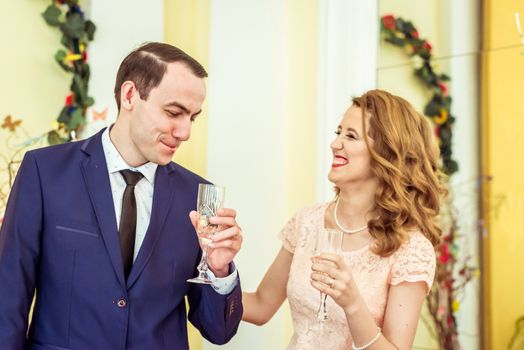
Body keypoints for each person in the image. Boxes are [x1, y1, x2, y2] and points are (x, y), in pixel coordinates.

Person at [0, 42, 243, 350]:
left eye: (192, 117)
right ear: (130, 95)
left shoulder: (196, 196)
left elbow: (218, 331)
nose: (185, 132)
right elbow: (7, 297)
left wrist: (219, 270)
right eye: (173, 112)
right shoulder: (45, 172)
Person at [242, 89, 445, 350]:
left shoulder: (411, 249)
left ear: (387, 156)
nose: (335, 144)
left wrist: (352, 302)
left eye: (351, 136)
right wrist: (211, 275)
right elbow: (260, 306)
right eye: (339, 133)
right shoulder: (307, 221)